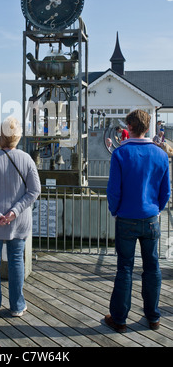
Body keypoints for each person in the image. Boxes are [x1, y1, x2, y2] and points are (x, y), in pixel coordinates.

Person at [105, 110, 171, 333]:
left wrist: (115, 211)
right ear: (147, 127)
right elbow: (166, 192)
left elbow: (113, 191)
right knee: (152, 268)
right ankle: (153, 317)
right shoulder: (161, 155)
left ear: (129, 126)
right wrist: (156, 210)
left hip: (126, 218)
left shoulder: (120, 153)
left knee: (125, 268)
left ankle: (119, 320)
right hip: (151, 219)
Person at [0, 116, 41, 318]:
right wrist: (15, 211)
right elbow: (34, 190)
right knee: (16, 261)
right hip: (18, 221)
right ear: (17, 137)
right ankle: (17, 306)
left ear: (0, 136)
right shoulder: (26, 159)